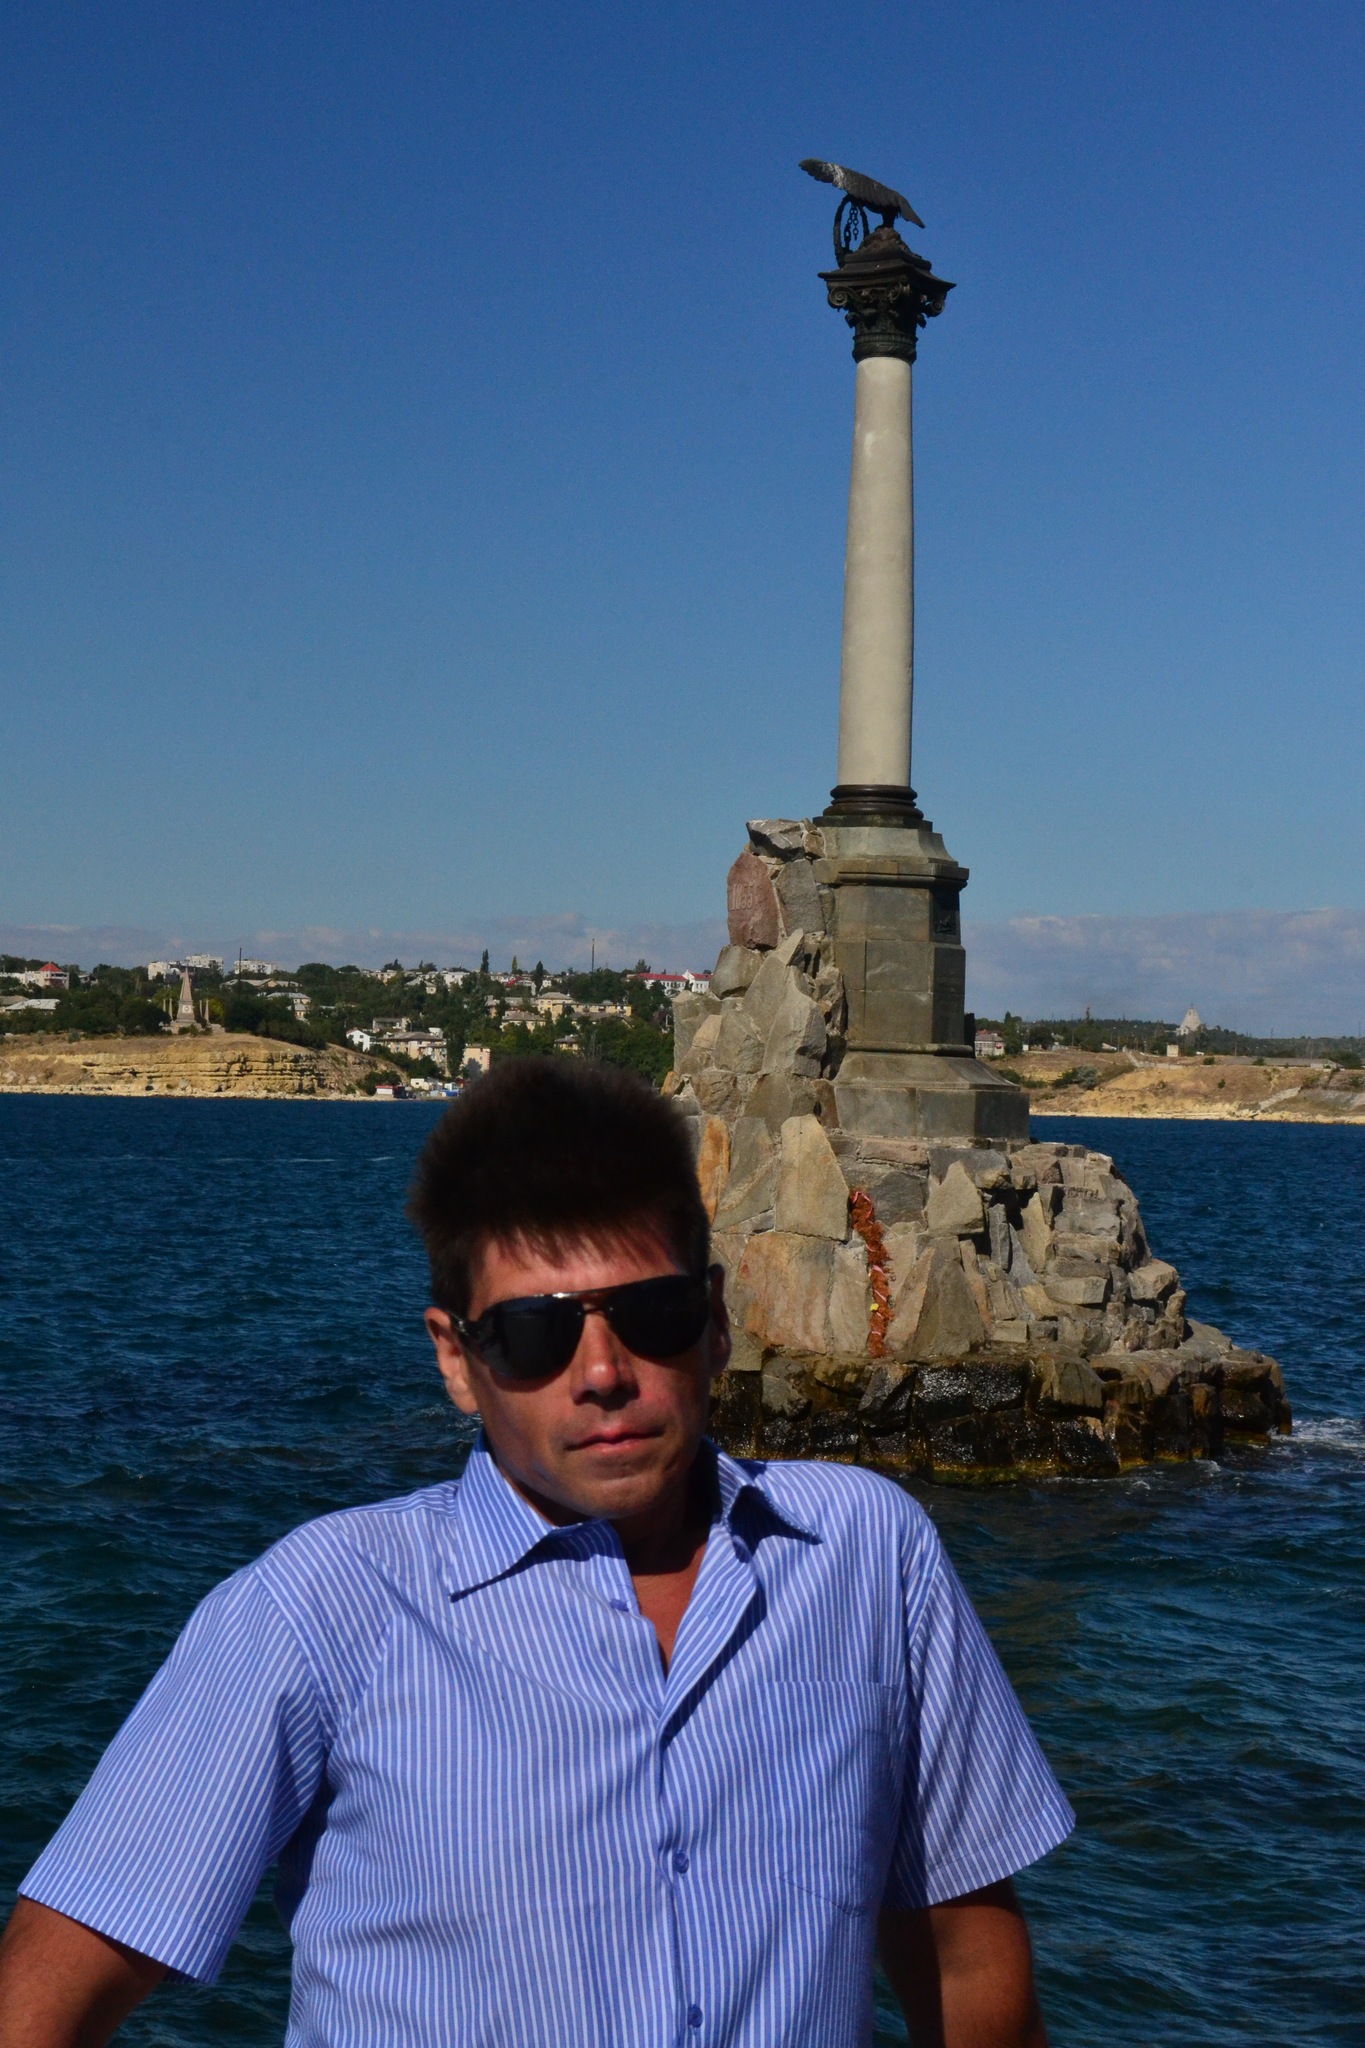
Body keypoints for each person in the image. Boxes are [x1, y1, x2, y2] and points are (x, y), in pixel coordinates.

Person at [0, 1059, 1073, 2047]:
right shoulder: (314, 1612)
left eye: (650, 1313)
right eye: (534, 1333)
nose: (602, 1373)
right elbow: (46, 1996)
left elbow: (966, 1961)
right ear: (455, 1358)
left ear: (713, 1320)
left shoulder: (867, 1555)